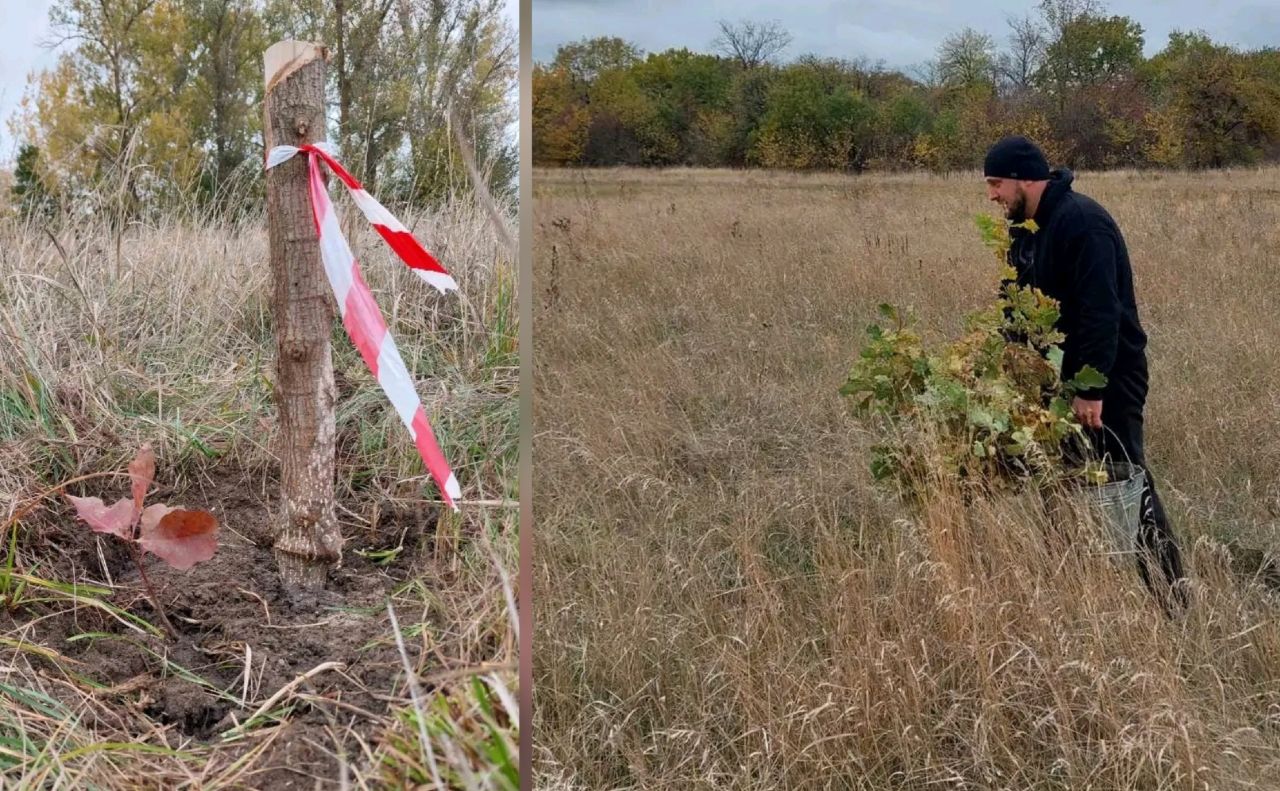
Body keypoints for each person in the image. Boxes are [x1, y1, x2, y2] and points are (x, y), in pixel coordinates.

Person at [982, 135, 1188, 614]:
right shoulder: (1028, 228)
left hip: (1108, 377)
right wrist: (1008, 368)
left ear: (1023, 177)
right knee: (1062, 480)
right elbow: (1018, 306)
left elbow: (1101, 313)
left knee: (1125, 483)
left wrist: (1090, 389)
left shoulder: (1083, 223)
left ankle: (1172, 600)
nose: (991, 195)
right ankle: (1078, 595)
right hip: (1057, 381)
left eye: (995, 184)